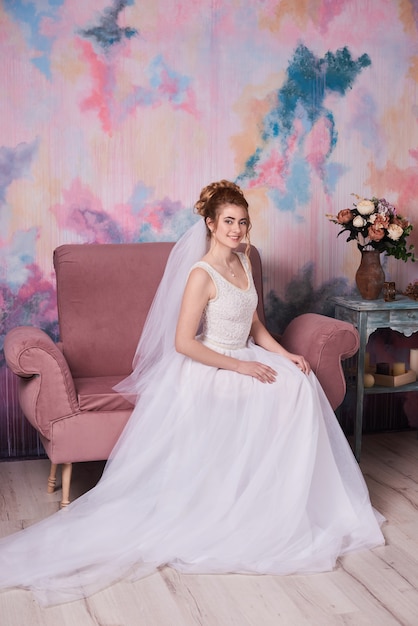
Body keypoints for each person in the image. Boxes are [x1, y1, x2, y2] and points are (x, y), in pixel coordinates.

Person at [0, 180, 384, 606]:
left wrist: (285, 353)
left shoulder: (243, 261)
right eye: (228, 222)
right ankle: (243, 502)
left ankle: (282, 497)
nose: (236, 229)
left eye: (242, 222)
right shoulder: (201, 273)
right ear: (210, 224)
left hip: (246, 349)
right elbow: (184, 342)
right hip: (212, 360)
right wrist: (240, 366)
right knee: (263, 391)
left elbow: (255, 325)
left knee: (297, 383)